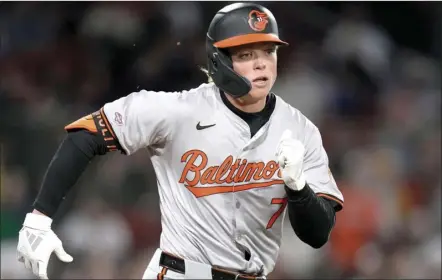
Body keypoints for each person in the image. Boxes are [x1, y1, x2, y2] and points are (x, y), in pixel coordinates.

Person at [17, 2, 344, 280]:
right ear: (219, 61)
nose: (261, 63)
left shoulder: (299, 129)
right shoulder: (178, 111)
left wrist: (298, 187)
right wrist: (39, 219)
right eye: (247, 53)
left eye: (268, 51)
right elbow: (85, 136)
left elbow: (317, 234)